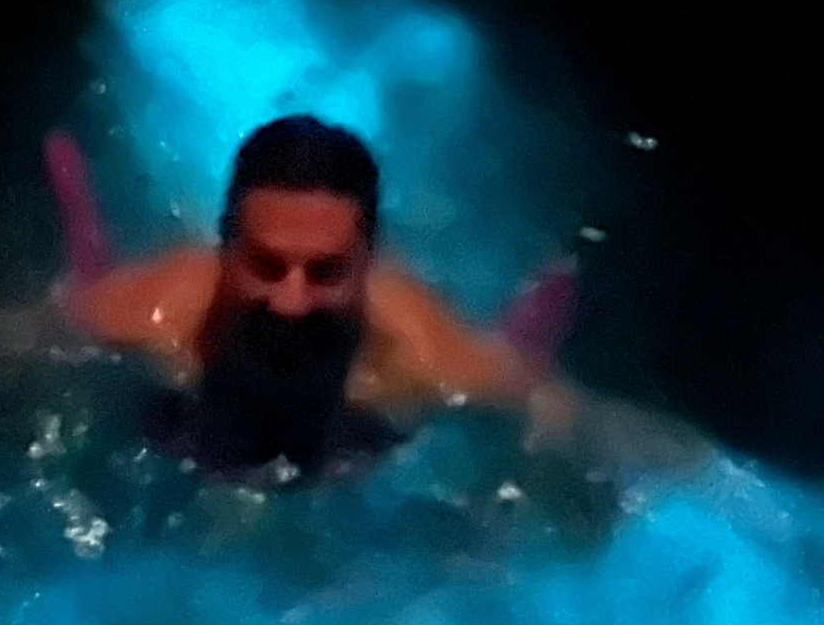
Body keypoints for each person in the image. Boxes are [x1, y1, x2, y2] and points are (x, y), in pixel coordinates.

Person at [58, 115, 557, 473]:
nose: (291, 302)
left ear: (368, 265)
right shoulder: (140, 320)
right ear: (225, 251)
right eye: (266, 266)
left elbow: (591, 426)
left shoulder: (433, 363)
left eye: (326, 273)